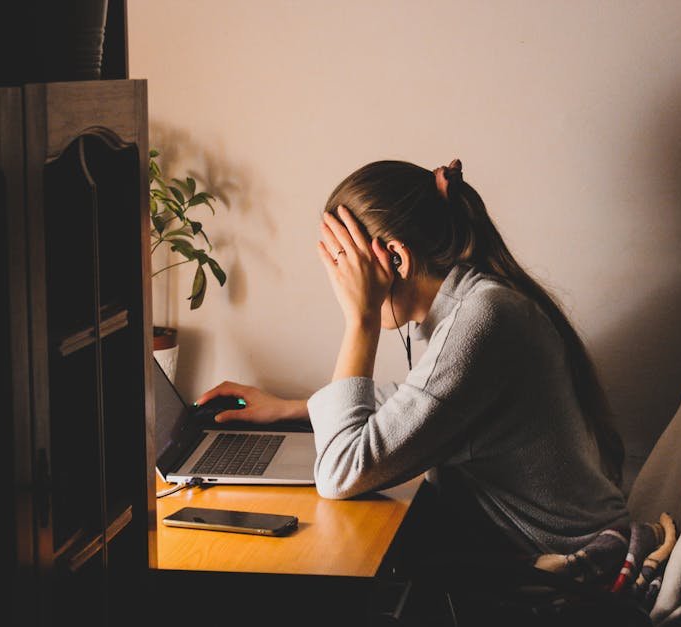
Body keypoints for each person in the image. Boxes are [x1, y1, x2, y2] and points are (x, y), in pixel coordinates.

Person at [195, 158, 630, 559]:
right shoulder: (478, 303)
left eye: (343, 265)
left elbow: (341, 472)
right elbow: (419, 401)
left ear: (396, 260)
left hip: (563, 579)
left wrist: (361, 319)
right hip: (534, 555)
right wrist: (292, 409)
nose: (338, 283)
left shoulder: (482, 320)